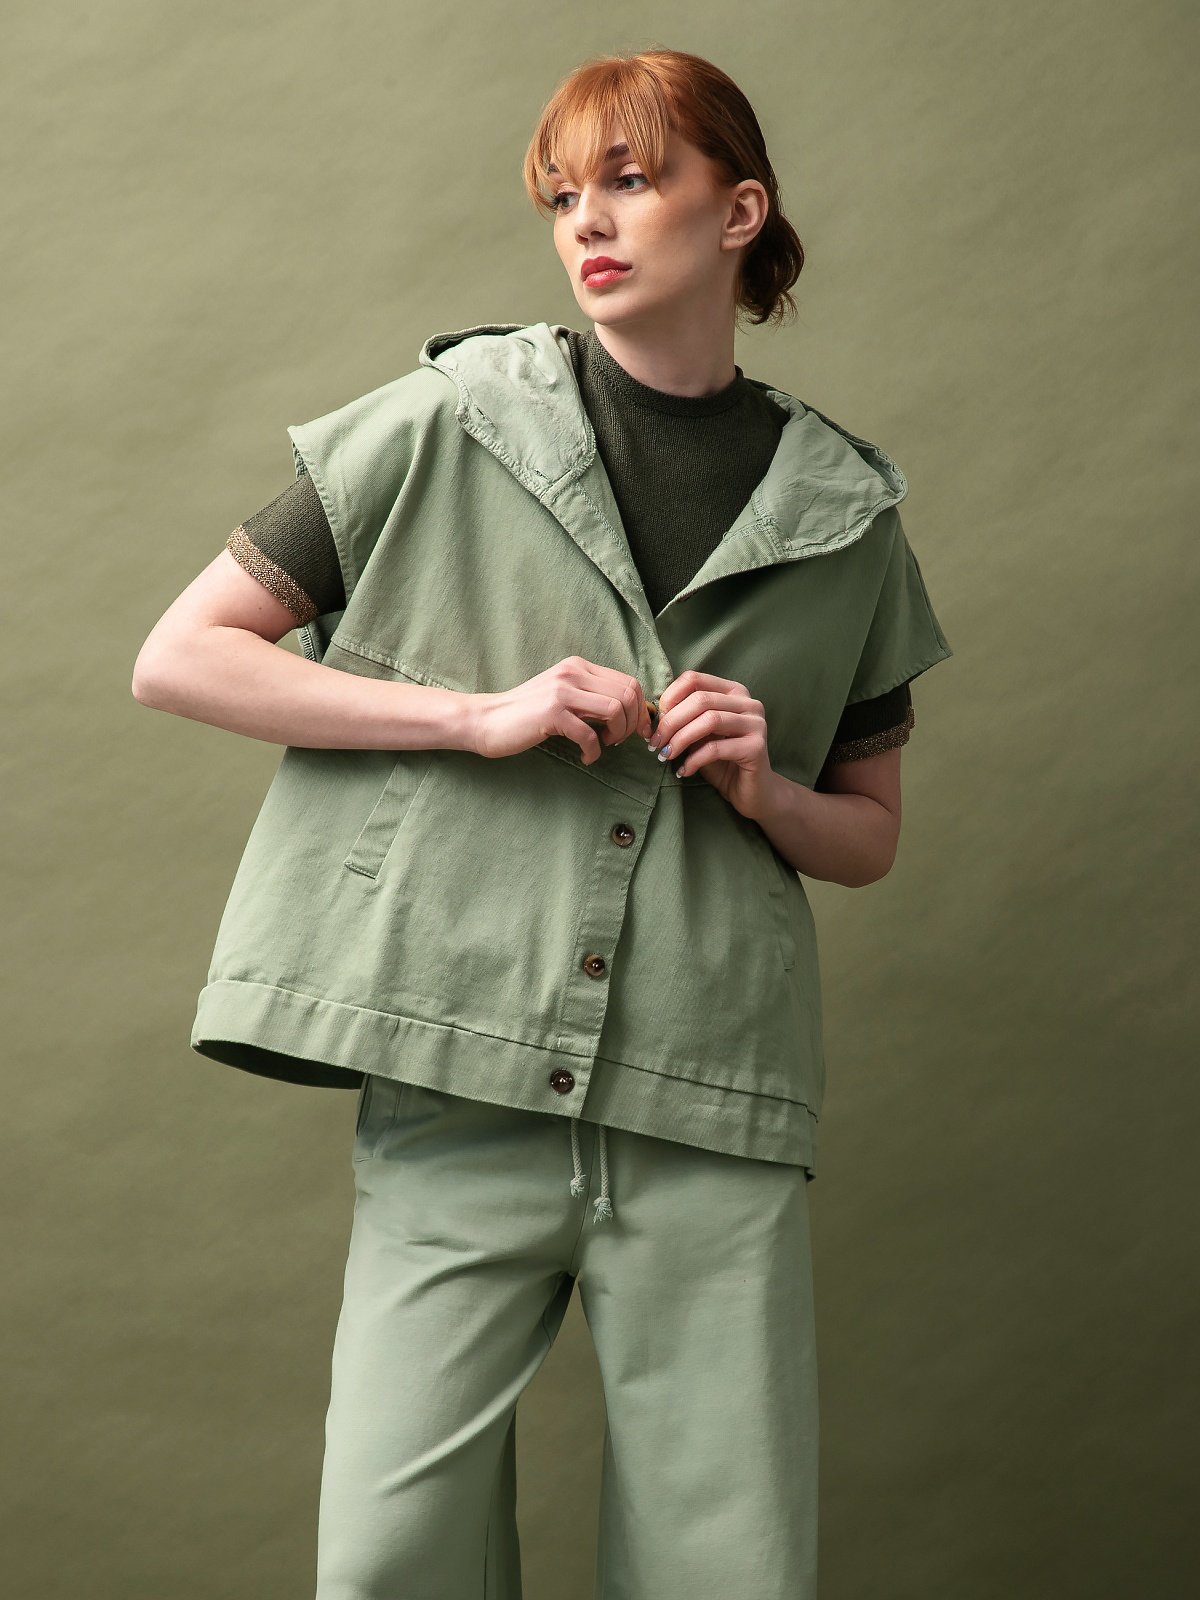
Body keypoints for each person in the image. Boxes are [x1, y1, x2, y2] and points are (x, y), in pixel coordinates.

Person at [133, 46, 952, 1600]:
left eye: (632, 181)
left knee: (725, 1571)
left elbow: (870, 834)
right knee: (391, 1560)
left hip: (711, 1101)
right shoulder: (446, 422)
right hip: (458, 1074)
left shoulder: (845, 513)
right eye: (565, 194)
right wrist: (472, 715)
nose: (589, 220)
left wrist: (768, 787)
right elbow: (181, 657)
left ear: (739, 211)